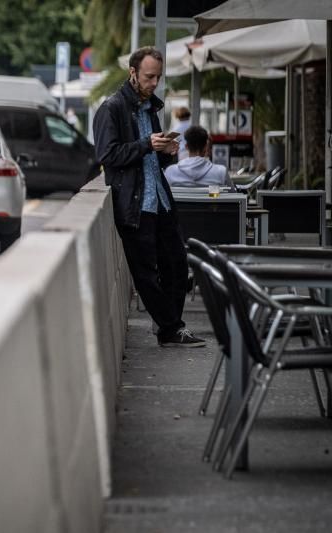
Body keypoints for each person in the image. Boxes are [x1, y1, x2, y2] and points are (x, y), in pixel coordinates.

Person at [93, 46, 205, 348]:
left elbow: (150, 159)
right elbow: (107, 155)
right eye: (149, 76)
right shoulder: (112, 108)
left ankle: (169, 327)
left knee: (178, 265)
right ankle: (172, 328)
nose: (154, 83)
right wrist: (146, 145)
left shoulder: (150, 108)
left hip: (161, 201)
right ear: (133, 73)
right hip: (134, 205)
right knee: (146, 274)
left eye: (158, 77)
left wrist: (166, 153)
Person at [164, 125, 234, 188]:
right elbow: (232, 196)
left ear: (186, 147)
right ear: (205, 147)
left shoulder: (170, 172)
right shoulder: (221, 172)